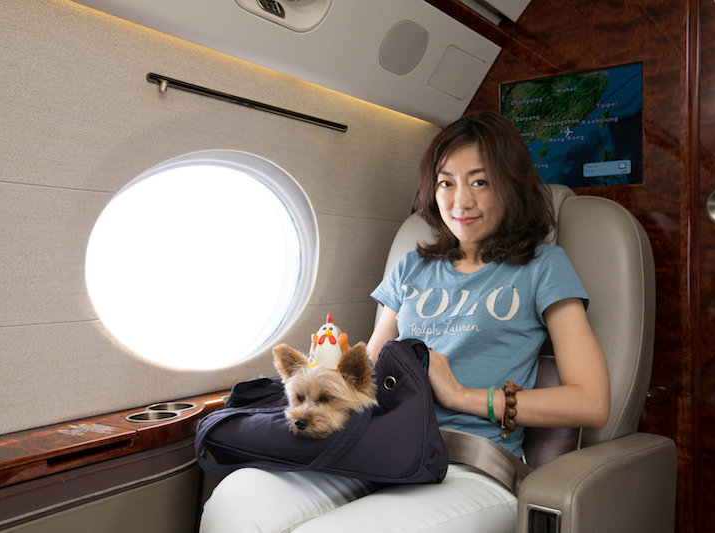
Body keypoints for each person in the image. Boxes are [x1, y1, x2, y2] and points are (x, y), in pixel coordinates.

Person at [199, 111, 610, 532]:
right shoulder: (411, 266)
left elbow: (591, 402)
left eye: (479, 181)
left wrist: (463, 396)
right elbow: (370, 371)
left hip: (468, 464)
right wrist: (329, 367)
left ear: (511, 185)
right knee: (236, 501)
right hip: (378, 447)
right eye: (446, 182)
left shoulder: (543, 267)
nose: (459, 201)